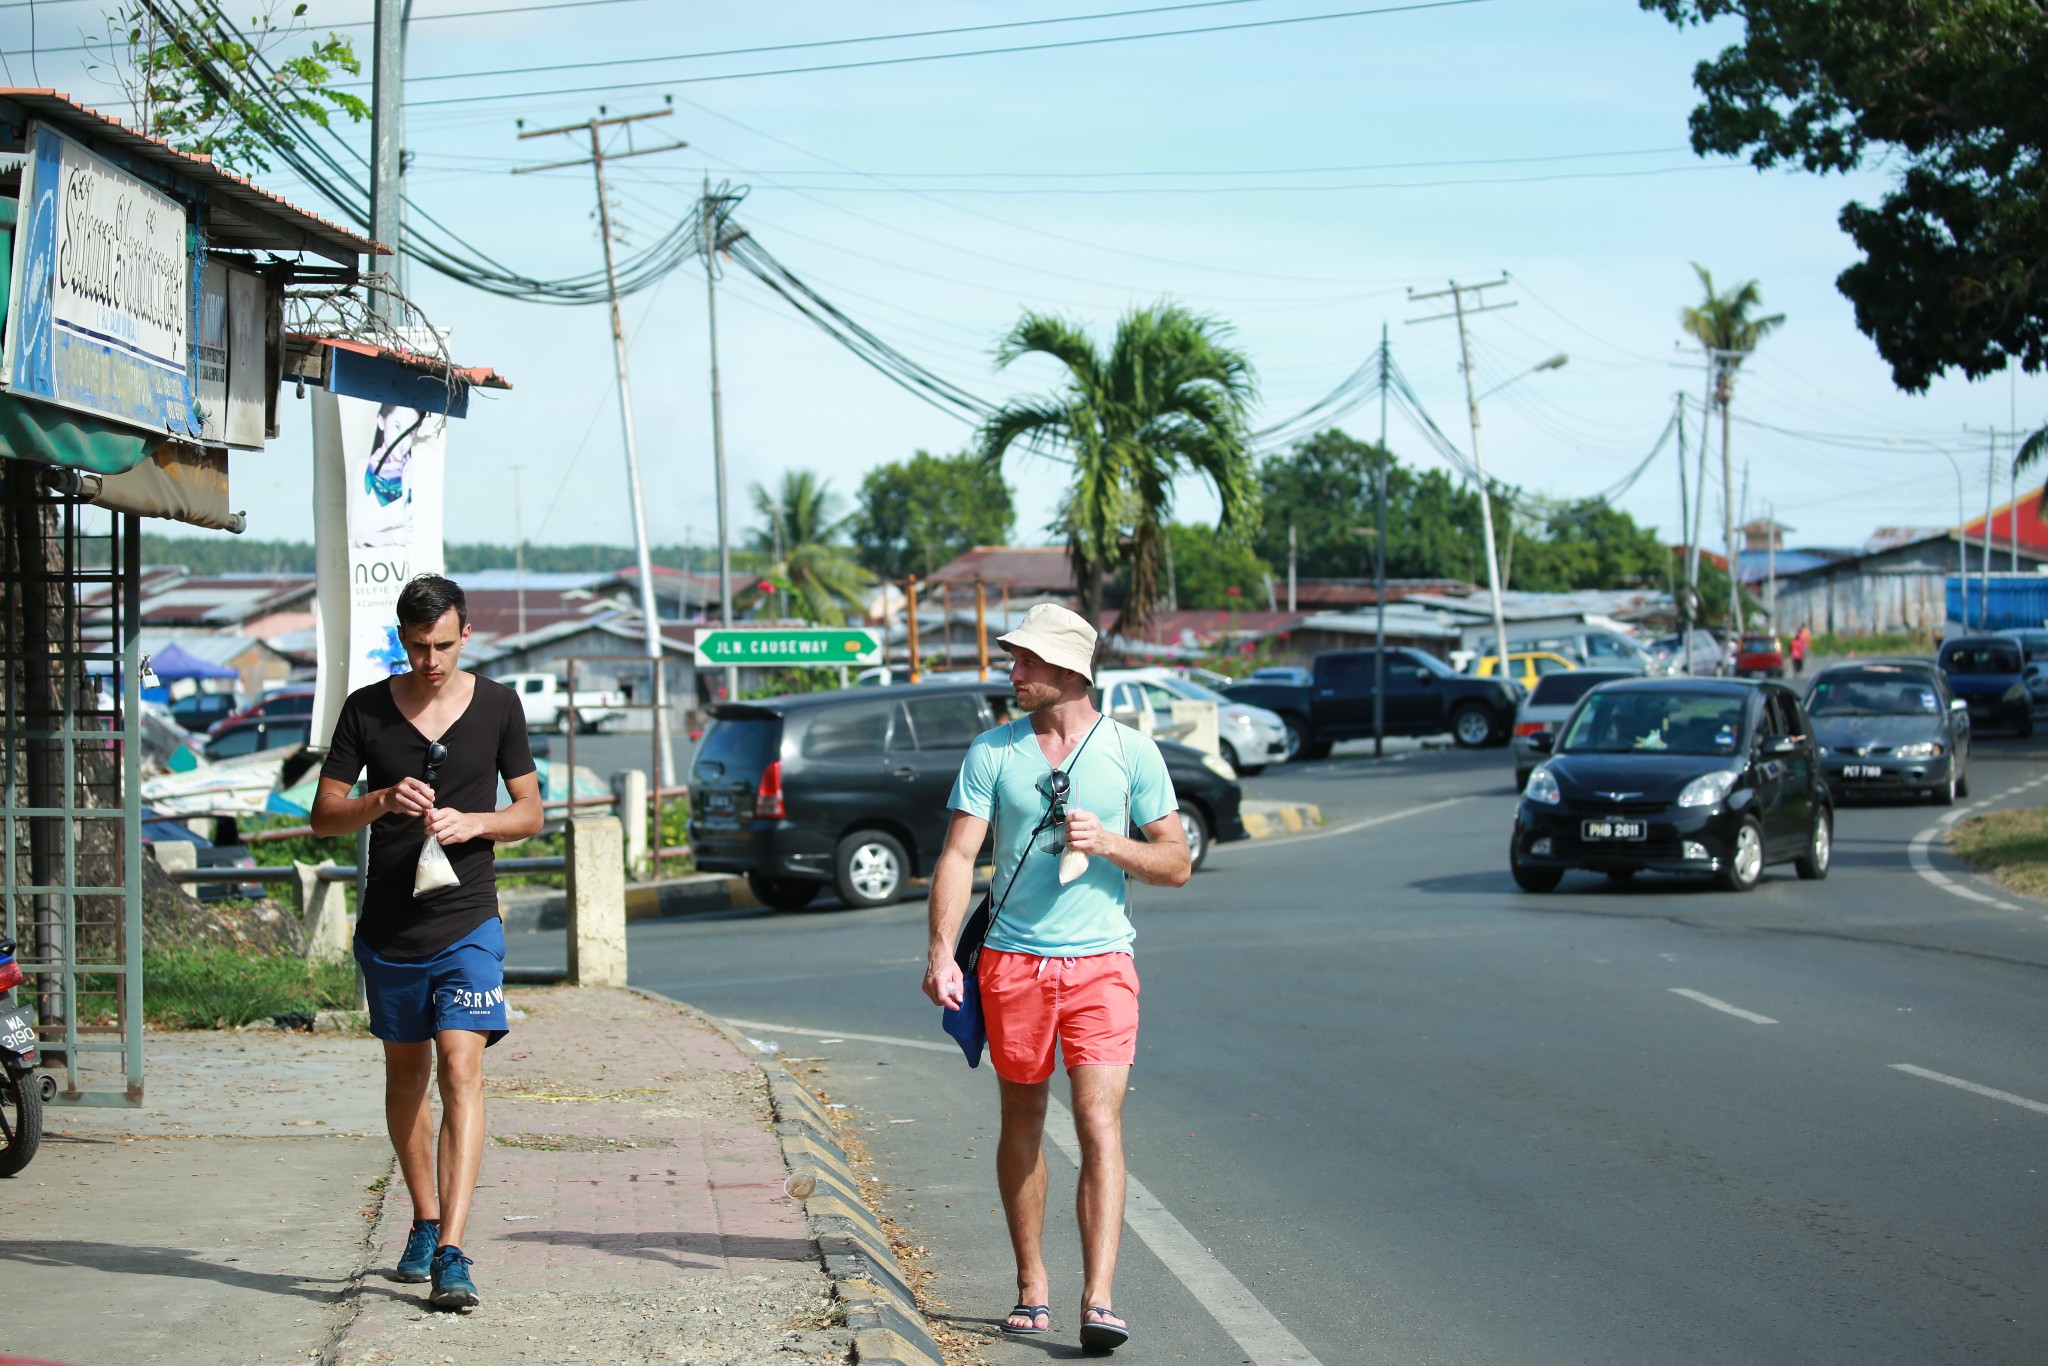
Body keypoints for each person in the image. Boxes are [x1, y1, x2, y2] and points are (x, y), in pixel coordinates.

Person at [922, 603, 1190, 1353]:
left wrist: (1109, 842)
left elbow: (1176, 862)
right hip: (1013, 965)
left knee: (1101, 1124)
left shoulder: (1132, 753)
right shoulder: (992, 752)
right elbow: (956, 858)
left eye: (1026, 663)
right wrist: (942, 953)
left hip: (1104, 963)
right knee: (1024, 1122)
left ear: (1069, 670)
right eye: (1014, 661)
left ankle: (1098, 1298)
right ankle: (1031, 1283)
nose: (1013, 674)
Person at [310, 574, 542, 1311]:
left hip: (469, 922)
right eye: (417, 648)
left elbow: (532, 811)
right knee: (407, 1078)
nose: (430, 661)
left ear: (465, 634)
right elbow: (324, 816)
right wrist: (379, 800)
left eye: (442, 645)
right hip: (391, 929)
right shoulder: (367, 710)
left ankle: (453, 1251)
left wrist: (475, 823)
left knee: (459, 1063)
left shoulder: (500, 705)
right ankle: (424, 1216)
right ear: (401, 641)